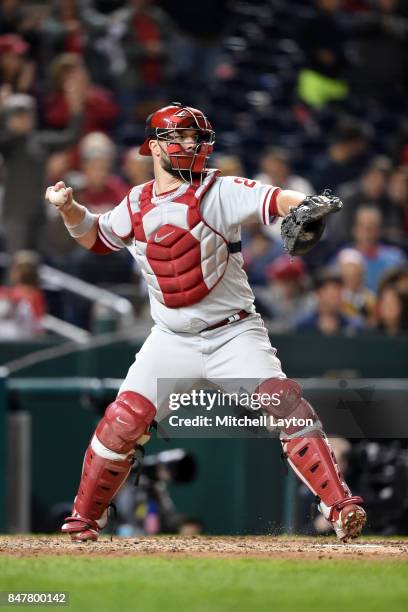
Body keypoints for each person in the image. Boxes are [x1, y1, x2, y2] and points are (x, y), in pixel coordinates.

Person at [46, 102, 366, 543]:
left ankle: (339, 505)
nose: (190, 146)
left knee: (287, 405)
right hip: (170, 338)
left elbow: (272, 199)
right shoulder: (136, 201)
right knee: (122, 421)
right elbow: (97, 237)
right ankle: (83, 518)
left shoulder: (219, 189)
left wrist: (306, 203)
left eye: (197, 138)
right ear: (155, 146)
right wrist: (69, 209)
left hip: (233, 332)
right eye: (179, 137)